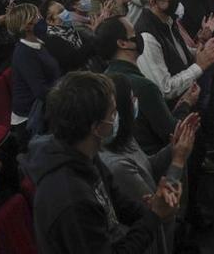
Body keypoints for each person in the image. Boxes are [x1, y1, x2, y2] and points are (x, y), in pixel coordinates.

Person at [23, 71, 182, 254]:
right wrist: (154, 217)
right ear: (97, 128)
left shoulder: (85, 154)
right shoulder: (71, 200)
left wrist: (152, 208)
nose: (117, 118)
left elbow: (119, 203)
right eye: (113, 113)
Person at [100, 73, 199, 254]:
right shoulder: (117, 167)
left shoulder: (124, 138)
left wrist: (173, 148)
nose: (135, 101)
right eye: (131, 99)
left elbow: (148, 167)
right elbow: (159, 213)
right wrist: (178, 160)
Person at [96, 16, 198, 156]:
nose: (139, 36)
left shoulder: (104, 79)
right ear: (123, 43)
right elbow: (171, 132)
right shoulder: (144, 87)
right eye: (134, 33)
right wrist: (186, 104)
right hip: (151, 161)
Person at [6, 3, 60, 148]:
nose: (41, 19)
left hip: (45, 107)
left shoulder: (38, 43)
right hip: (31, 120)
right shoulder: (24, 53)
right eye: (37, 16)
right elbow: (40, 91)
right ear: (27, 26)